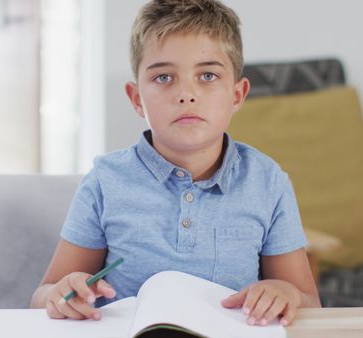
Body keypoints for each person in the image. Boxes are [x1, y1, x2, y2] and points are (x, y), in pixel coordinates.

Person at [30, 0, 320, 327]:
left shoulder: (267, 182)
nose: (186, 93)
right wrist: (59, 295)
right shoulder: (105, 182)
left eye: (207, 75)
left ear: (237, 95)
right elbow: (44, 295)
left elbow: (309, 303)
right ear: (137, 98)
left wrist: (286, 292)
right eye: (164, 77)